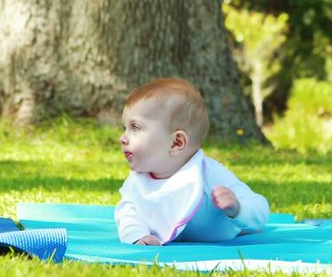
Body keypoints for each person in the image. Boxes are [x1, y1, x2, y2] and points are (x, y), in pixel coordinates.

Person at [115, 77, 270, 245]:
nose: (123, 138)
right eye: (125, 128)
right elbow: (127, 212)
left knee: (250, 225)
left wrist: (237, 209)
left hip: (222, 236)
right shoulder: (138, 180)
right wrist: (137, 236)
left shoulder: (209, 174)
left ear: (176, 143)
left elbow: (260, 207)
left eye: (135, 128)